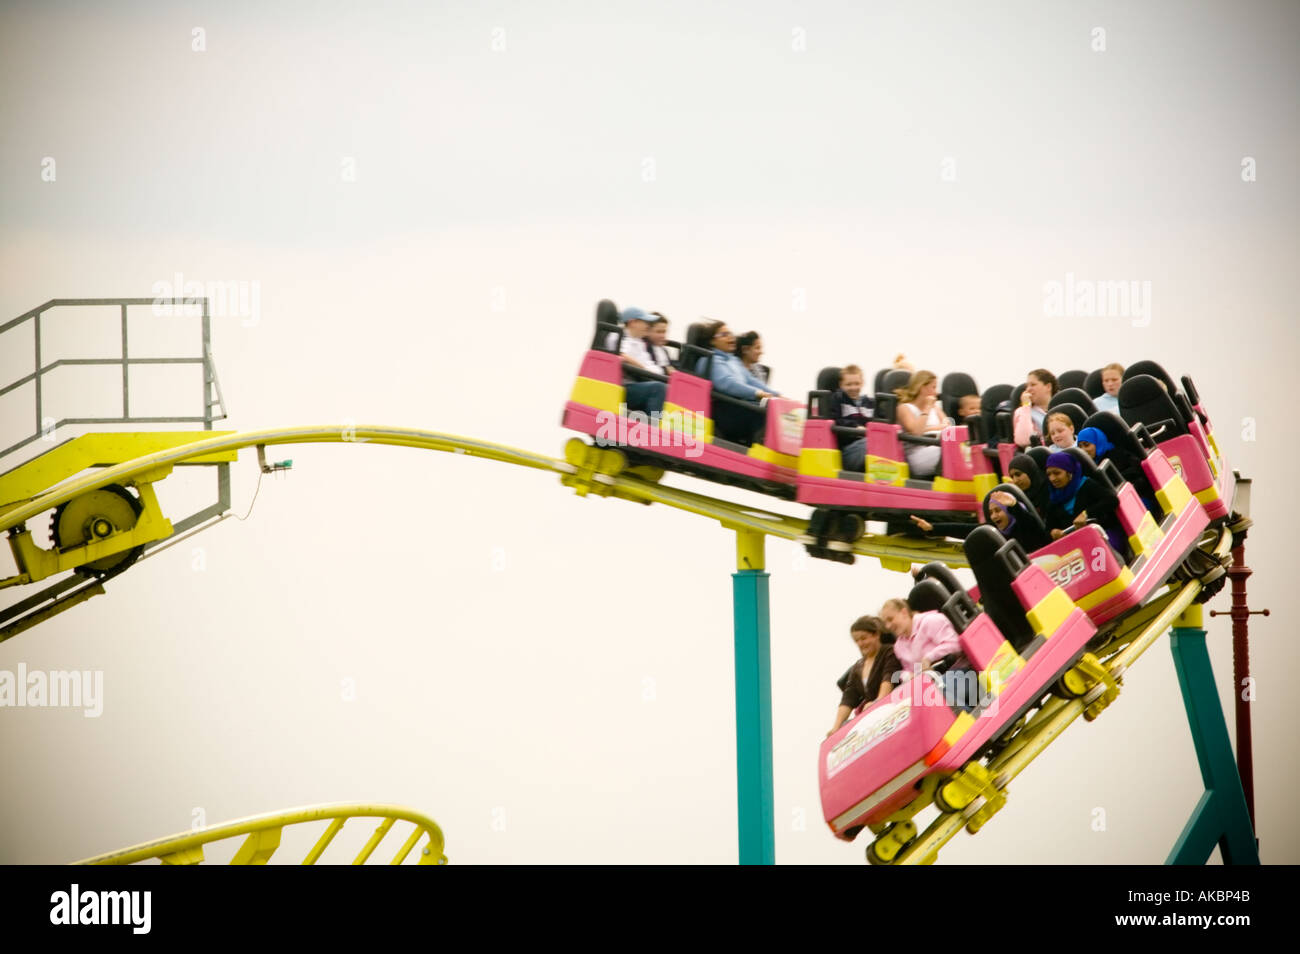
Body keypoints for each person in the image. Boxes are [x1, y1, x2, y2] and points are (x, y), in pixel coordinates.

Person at [693, 320, 779, 444]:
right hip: (722, 410)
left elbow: (751, 380)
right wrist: (756, 393)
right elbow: (727, 384)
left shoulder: (734, 361)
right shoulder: (710, 360)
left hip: (737, 406)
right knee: (762, 415)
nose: (730, 337)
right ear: (712, 341)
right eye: (724, 335)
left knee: (770, 410)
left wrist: (777, 395)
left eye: (730, 334)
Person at [828, 615, 901, 736]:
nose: (861, 643)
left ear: (876, 635)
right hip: (875, 718)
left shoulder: (889, 652)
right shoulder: (858, 667)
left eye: (864, 638)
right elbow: (849, 697)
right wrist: (836, 727)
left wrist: (879, 701)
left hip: (893, 707)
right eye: (857, 640)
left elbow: (889, 677)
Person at [1043, 452, 1124, 553]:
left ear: (1070, 473)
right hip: (1077, 545)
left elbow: (1112, 500)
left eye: (1057, 473)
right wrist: (1053, 532)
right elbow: (1048, 529)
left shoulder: (1087, 485)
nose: (1052, 478)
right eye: (1049, 474)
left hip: (1104, 533)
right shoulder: (1053, 500)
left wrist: (1086, 513)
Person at [1077, 425, 1159, 513]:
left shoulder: (1119, 454)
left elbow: (1139, 477)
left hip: (1138, 498)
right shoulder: (1087, 468)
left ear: (1098, 442)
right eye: (1080, 447)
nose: (1083, 450)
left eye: (1086, 445)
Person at [604, 306, 665, 415]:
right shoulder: (616, 336)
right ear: (633, 322)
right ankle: (653, 428)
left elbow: (651, 365)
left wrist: (655, 373)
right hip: (622, 387)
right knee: (658, 388)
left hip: (639, 381)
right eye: (645, 322)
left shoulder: (639, 342)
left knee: (669, 388)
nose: (648, 326)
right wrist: (644, 369)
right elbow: (621, 357)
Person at [894, 370, 950, 478]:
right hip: (917, 455)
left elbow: (948, 427)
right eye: (933, 387)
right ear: (922, 388)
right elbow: (916, 431)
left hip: (937, 447)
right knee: (950, 452)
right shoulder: (904, 408)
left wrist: (928, 428)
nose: (936, 392)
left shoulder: (936, 408)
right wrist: (927, 408)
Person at [833, 364, 873, 472]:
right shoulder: (838, 399)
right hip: (848, 450)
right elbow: (835, 421)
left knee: (882, 441)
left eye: (857, 384)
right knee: (872, 442)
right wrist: (855, 427)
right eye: (849, 384)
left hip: (867, 444)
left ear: (863, 383)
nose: (853, 388)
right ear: (841, 385)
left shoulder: (870, 403)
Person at [986, 489, 1052, 552]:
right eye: (991, 513)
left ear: (1009, 511)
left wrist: (1014, 506)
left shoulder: (1026, 523)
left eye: (997, 510)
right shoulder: (997, 536)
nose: (994, 516)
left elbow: (1024, 519)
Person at [1013, 369, 1059, 447]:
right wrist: (1026, 406)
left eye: (1033, 385)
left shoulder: (1062, 408)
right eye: (1027, 386)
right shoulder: (1022, 411)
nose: (1028, 389)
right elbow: (1024, 441)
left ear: (1048, 386)